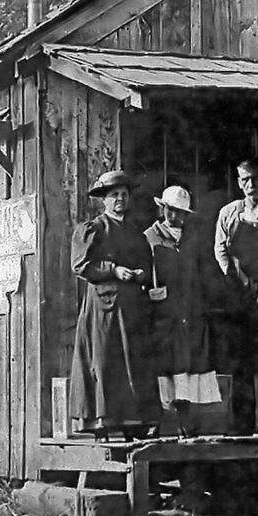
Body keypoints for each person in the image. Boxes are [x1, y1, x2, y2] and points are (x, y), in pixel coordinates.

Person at [68, 170, 160, 440]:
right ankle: (103, 422)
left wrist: (141, 273)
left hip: (132, 307)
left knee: (133, 361)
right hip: (104, 307)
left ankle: (134, 421)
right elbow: (80, 265)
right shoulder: (93, 229)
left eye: (123, 194)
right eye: (114, 195)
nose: (119, 199)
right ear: (104, 200)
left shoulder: (136, 233)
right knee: (105, 361)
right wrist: (113, 269)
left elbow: (146, 263)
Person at [214, 159, 258, 433]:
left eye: (254, 179)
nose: (250, 185)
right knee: (240, 359)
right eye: (244, 180)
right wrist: (235, 279)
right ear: (238, 181)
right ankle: (241, 424)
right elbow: (220, 250)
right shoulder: (229, 213)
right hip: (239, 293)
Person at [145, 185, 213, 433]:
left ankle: (186, 424)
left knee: (185, 368)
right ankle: (157, 423)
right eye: (171, 211)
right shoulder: (150, 237)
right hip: (161, 314)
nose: (175, 217)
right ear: (162, 208)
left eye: (181, 212)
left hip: (188, 313)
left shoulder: (192, 240)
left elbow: (202, 275)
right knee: (161, 368)